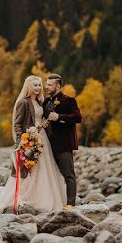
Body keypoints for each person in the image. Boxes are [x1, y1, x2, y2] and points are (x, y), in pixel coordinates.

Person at [0, 75, 67, 213]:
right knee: (31, 170)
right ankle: (26, 198)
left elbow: (40, 121)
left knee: (45, 170)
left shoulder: (40, 102)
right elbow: (17, 124)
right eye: (35, 85)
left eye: (39, 85)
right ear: (29, 87)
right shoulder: (23, 103)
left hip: (42, 139)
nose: (38, 87)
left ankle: (44, 198)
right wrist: (21, 142)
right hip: (30, 140)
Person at [43, 72, 82, 207]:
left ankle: (70, 204)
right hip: (48, 146)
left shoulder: (69, 100)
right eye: (46, 84)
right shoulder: (46, 102)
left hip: (64, 145)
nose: (46, 87)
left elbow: (78, 118)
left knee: (69, 176)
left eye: (49, 84)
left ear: (58, 86)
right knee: (50, 176)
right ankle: (54, 203)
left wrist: (59, 117)